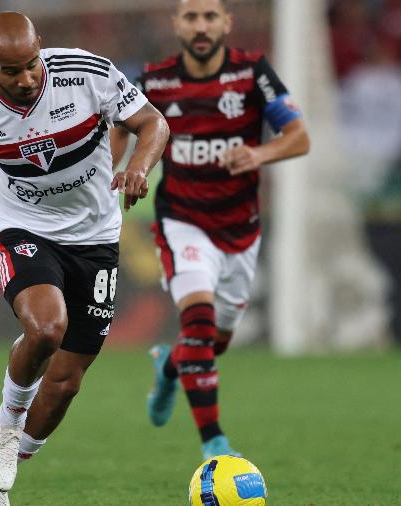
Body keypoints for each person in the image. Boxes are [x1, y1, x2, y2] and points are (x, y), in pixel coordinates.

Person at [0, 11, 169, 505]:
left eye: (31, 65)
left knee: (64, 383)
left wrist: (137, 167)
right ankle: (4, 424)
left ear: (41, 46)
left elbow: (153, 123)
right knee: (46, 328)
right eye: (10, 71)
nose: (25, 79)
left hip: (96, 233)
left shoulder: (88, 75)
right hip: (19, 224)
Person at [111, 0, 310, 460]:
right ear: (176, 24)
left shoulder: (252, 73)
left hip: (241, 229)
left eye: (210, 17)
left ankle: (168, 368)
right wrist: (112, 168)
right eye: (191, 17)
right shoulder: (154, 80)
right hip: (183, 223)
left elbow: (299, 136)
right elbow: (121, 125)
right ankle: (215, 445)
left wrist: (259, 155)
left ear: (227, 24)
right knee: (197, 322)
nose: (201, 26)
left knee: (212, 343)